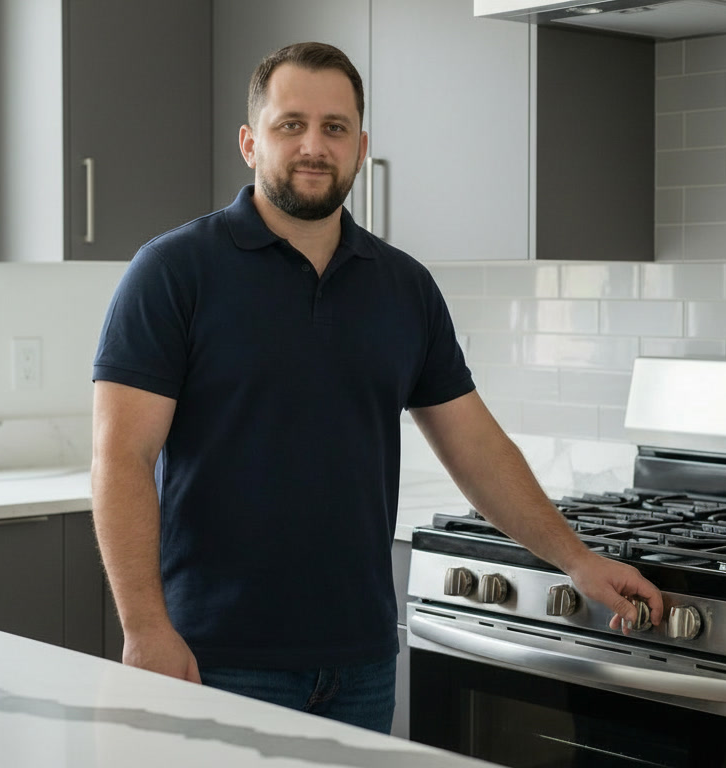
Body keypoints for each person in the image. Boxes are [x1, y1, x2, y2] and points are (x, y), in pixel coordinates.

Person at [90, 41, 665, 735]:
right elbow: (121, 459)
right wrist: (145, 626)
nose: (313, 145)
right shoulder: (174, 272)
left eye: (334, 128)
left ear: (361, 147)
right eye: (290, 124)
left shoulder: (403, 287)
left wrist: (575, 559)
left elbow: (474, 445)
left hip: (361, 659)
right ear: (249, 142)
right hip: (217, 656)